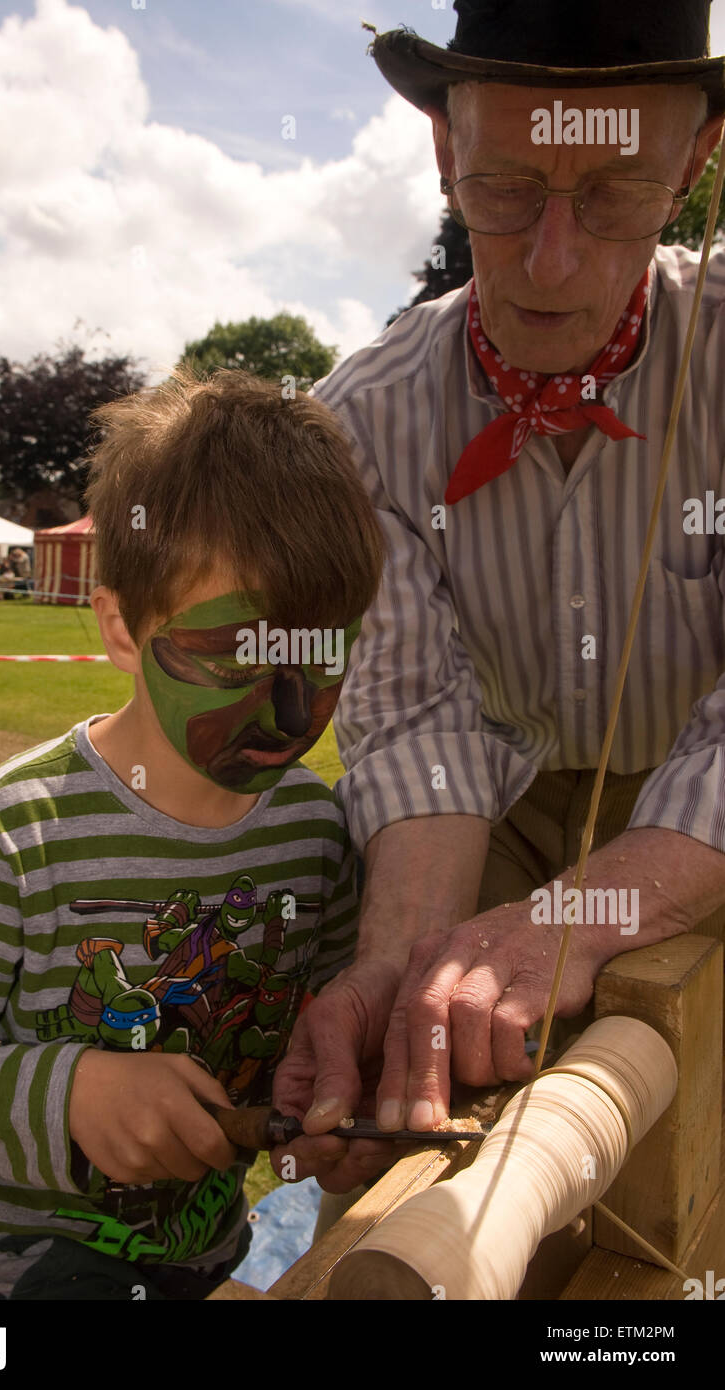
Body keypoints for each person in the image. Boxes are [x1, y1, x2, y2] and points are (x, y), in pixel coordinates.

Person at [272, 0, 725, 1197]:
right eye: (507, 188)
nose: (552, 259)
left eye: (617, 191)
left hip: (705, 811)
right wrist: (389, 969)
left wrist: (593, 908)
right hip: (501, 812)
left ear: (696, 160)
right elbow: (423, 730)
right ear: (441, 149)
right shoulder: (364, 424)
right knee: (415, 1096)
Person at [0, 366, 385, 1300]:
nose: (291, 708)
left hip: (206, 1254)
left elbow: (315, 1030)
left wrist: (319, 1120)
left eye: (321, 654)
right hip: (15, 1272)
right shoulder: (13, 835)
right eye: (234, 656)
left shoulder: (316, 832)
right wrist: (66, 1095)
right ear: (120, 631)